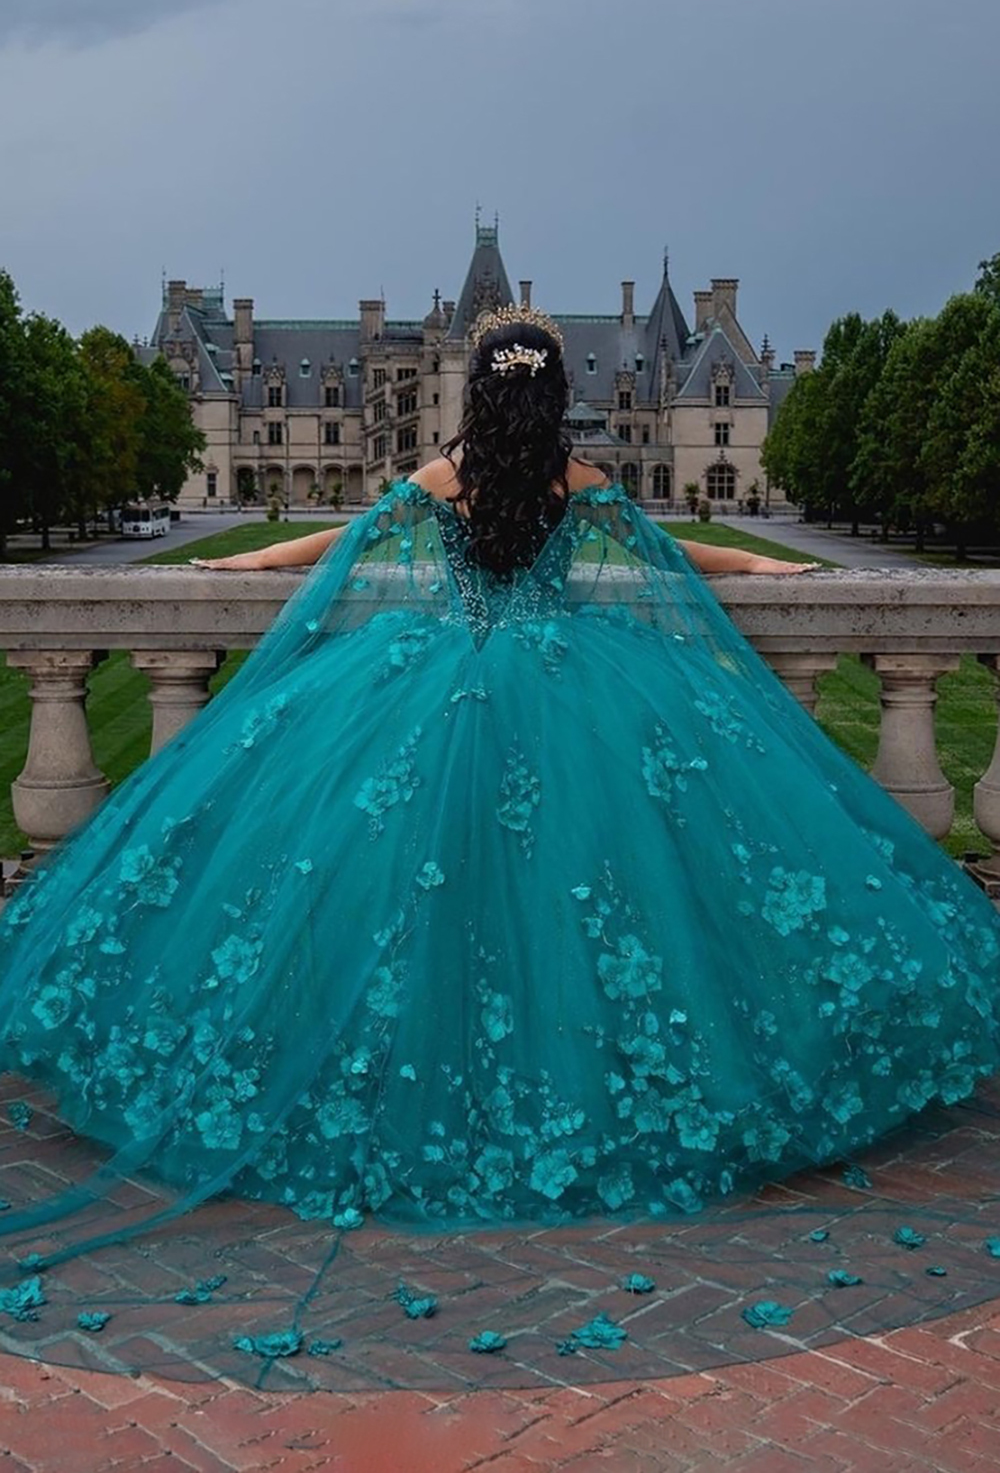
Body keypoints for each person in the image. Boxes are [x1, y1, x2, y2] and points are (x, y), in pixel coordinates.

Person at [0, 303, 997, 1387]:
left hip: (431, 685)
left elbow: (344, 547)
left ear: (479, 393)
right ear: (548, 397)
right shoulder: (574, 482)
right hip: (570, 687)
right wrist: (761, 571)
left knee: (393, 898)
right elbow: (667, 552)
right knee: (602, 899)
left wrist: (242, 566)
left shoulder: (441, 479)